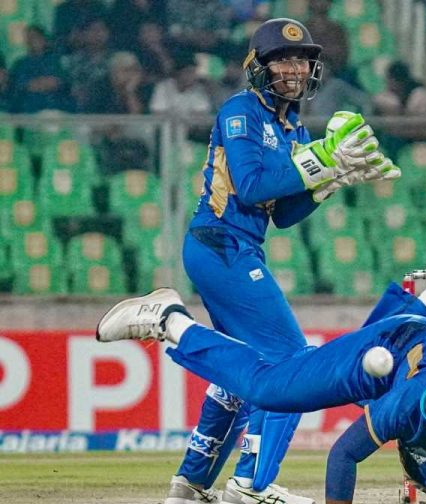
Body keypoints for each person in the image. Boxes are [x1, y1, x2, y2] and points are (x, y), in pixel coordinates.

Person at [96, 214, 426, 504]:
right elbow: (344, 455)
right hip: (390, 354)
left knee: (340, 365)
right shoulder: (411, 402)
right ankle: (170, 320)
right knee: (272, 388)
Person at [157, 17, 398, 504]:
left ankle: (191, 483)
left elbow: (284, 213)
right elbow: (251, 186)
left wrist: (332, 180)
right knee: (290, 361)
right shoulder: (240, 111)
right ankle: (250, 484)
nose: (294, 67)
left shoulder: (292, 125)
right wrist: (320, 161)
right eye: (282, 59)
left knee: (243, 371)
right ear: (258, 67)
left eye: (302, 59)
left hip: (234, 248)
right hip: (219, 243)